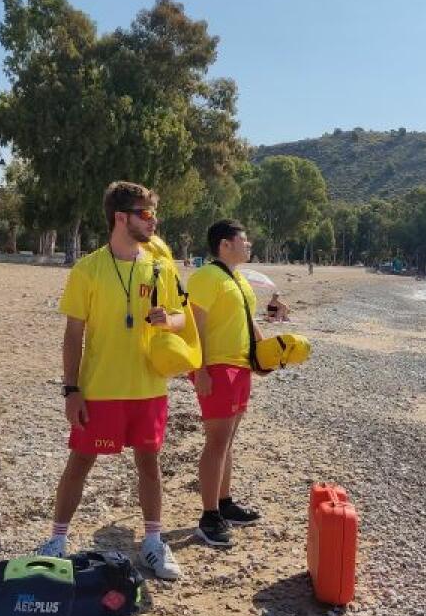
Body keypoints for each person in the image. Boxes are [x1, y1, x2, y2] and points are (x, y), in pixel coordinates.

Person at [36, 181, 186, 580]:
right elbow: (73, 335)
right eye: (146, 213)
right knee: (80, 462)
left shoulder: (160, 267)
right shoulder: (88, 269)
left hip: (149, 386)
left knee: (150, 464)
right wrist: (71, 390)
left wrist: (167, 320)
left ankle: (153, 543)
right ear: (121, 217)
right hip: (100, 388)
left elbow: (182, 316)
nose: (153, 221)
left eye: (153, 213)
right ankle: (56, 540)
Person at [185, 219, 264, 546]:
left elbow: (249, 320)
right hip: (216, 367)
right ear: (225, 244)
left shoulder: (238, 279)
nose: (249, 246)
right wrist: (200, 369)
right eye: (244, 241)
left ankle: (225, 503)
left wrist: (266, 353)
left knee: (228, 441)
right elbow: (194, 324)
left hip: (241, 367)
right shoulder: (206, 276)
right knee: (216, 442)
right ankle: (209, 517)